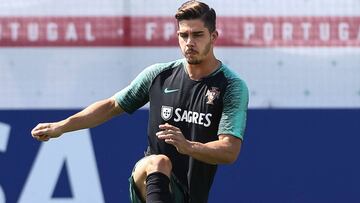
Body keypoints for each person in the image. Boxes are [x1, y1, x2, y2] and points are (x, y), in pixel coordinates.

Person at [31, 1, 249, 202]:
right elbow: (111, 106)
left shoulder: (230, 86)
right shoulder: (159, 75)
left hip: (190, 194)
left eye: (198, 35)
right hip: (150, 177)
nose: (189, 42)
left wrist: (188, 146)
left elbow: (229, 150)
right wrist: (61, 126)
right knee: (158, 161)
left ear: (214, 36)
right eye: (184, 35)